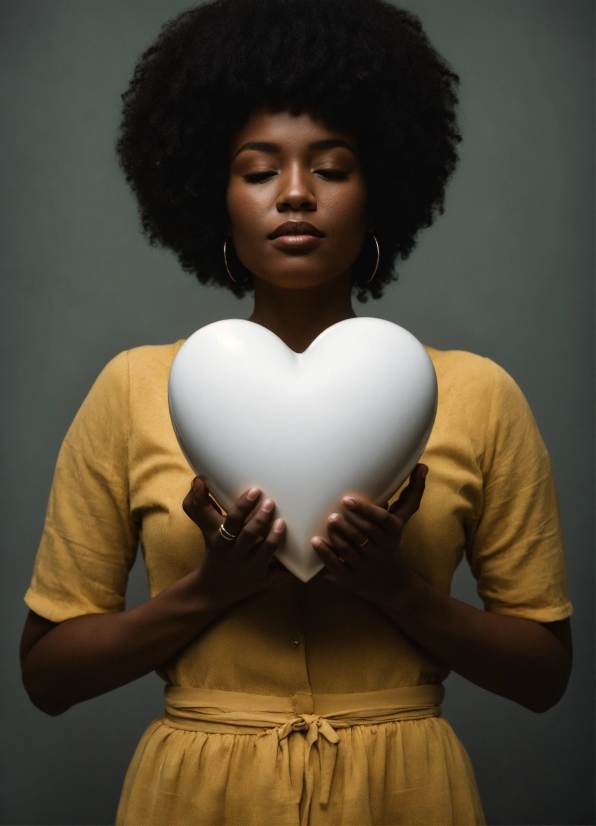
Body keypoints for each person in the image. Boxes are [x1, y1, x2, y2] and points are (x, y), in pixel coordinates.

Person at [20, 1, 573, 823]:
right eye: (256, 170)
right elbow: (48, 676)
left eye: (333, 167)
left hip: (406, 797)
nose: (295, 195)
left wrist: (397, 590)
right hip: (197, 799)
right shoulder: (133, 389)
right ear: (214, 195)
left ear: (380, 187)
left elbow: (544, 676)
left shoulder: (478, 395)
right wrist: (213, 589)